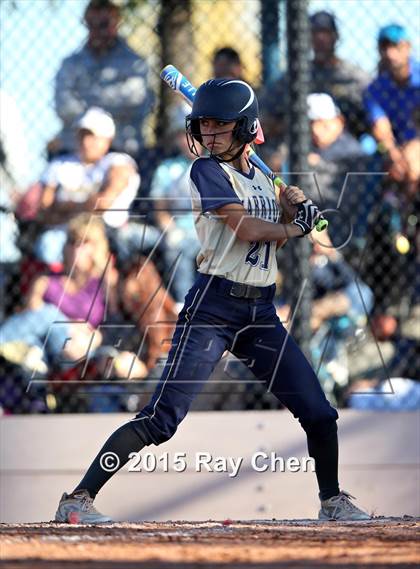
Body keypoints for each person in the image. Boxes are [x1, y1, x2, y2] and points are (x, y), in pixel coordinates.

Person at [54, 79, 370, 523]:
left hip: (259, 312)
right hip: (213, 308)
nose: (210, 134)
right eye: (205, 125)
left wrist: (292, 210)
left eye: (221, 125)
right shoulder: (206, 171)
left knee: (319, 413)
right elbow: (247, 231)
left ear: (246, 128)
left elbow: (266, 244)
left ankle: (332, 500)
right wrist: (296, 228)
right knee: (161, 420)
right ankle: (78, 498)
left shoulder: (262, 176)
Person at [35, 107, 158, 266]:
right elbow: (44, 211)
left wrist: (63, 208)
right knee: (48, 246)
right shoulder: (59, 164)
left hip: (109, 233)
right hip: (64, 234)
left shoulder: (118, 162)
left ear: (107, 139)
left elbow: (103, 203)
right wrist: (87, 207)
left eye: (93, 136)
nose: (86, 142)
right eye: (83, 135)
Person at [53, 0, 154, 157]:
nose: (98, 31)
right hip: (77, 150)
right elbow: (63, 106)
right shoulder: (71, 63)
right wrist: (101, 110)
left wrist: (89, 103)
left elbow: (136, 100)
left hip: (123, 148)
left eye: (104, 24)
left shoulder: (134, 63)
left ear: (116, 24)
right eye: (92, 25)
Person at [259, 10, 371, 150]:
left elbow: (372, 117)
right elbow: (264, 116)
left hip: (345, 145)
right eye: (314, 32)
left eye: (325, 32)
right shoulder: (295, 75)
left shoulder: (353, 76)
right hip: (299, 146)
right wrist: (294, 124)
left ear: (335, 37)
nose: (320, 38)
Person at [149, 104, 200, 303]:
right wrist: (169, 229)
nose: (190, 140)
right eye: (184, 135)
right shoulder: (167, 169)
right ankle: (184, 306)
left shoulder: (218, 164)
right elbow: (160, 209)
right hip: (176, 230)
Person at [363, 24, 420, 184]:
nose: (390, 53)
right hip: (393, 149)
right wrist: (394, 154)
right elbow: (381, 127)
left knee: (414, 161)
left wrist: (414, 148)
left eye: (396, 46)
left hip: (415, 146)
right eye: (384, 47)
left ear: (408, 47)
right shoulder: (376, 89)